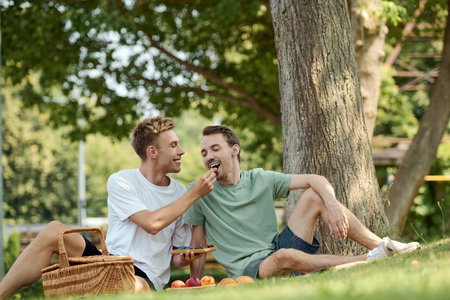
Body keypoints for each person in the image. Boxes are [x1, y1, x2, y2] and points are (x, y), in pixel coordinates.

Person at [0, 116, 216, 299]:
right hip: (108, 261)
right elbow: (151, 223)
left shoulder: (180, 193)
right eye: (173, 145)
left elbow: (176, 259)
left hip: (144, 276)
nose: (182, 150)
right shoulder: (122, 181)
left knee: (133, 287)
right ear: (153, 152)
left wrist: (186, 257)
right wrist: (194, 193)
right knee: (54, 230)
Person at [186, 125, 420, 279]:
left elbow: (315, 179)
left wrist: (333, 205)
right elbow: (198, 245)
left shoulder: (260, 179)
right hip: (252, 270)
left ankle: (383, 245)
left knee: (314, 194)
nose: (208, 156)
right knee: (281, 257)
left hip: (277, 249)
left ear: (234, 150)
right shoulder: (199, 192)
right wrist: (194, 282)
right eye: (204, 153)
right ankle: (368, 259)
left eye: (215, 149)